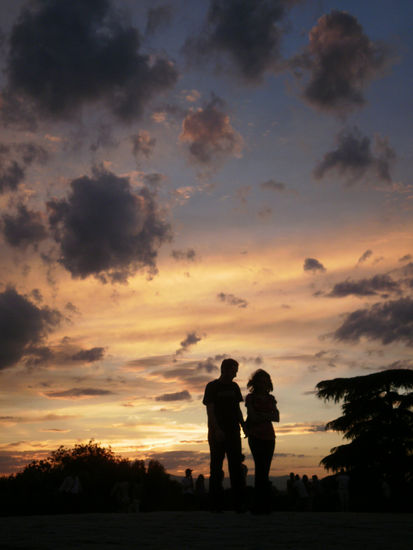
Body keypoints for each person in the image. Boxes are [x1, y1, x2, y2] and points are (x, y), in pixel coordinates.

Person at [203, 357, 247, 512]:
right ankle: (215, 504)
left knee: (236, 468)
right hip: (217, 433)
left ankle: (238, 504)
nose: (236, 373)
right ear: (225, 369)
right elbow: (210, 411)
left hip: (234, 432)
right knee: (216, 468)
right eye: (234, 369)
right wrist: (217, 430)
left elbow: (237, 409)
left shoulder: (235, 387)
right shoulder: (212, 386)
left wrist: (243, 425)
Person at [245, 369, 279, 514]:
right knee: (260, 468)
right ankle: (260, 505)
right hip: (255, 436)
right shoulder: (250, 398)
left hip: (270, 437)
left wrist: (261, 415)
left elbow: (276, 417)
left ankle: (262, 504)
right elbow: (252, 417)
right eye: (260, 381)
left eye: (265, 381)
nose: (263, 383)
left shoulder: (271, 399)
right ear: (255, 383)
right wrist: (267, 415)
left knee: (265, 470)